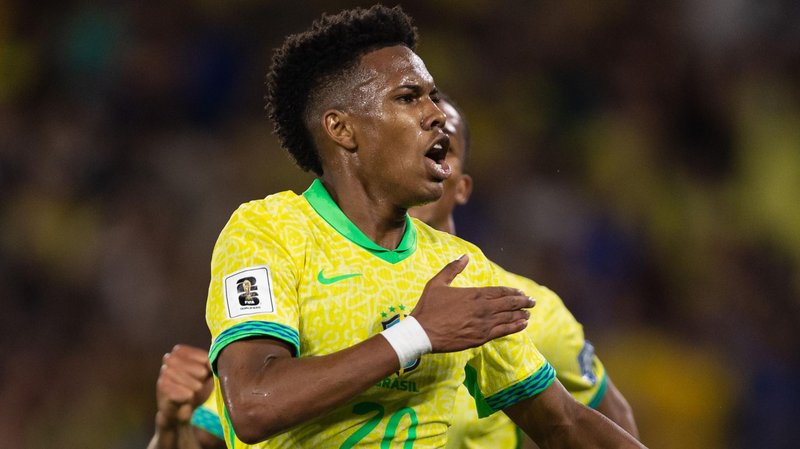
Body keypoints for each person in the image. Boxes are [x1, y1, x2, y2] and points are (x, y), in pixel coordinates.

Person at [178, 5, 645, 448]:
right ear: (342, 130)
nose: (437, 114)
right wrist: (416, 335)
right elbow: (253, 404)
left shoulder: (458, 269)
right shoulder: (270, 231)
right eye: (408, 97)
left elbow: (563, 422)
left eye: (434, 97)